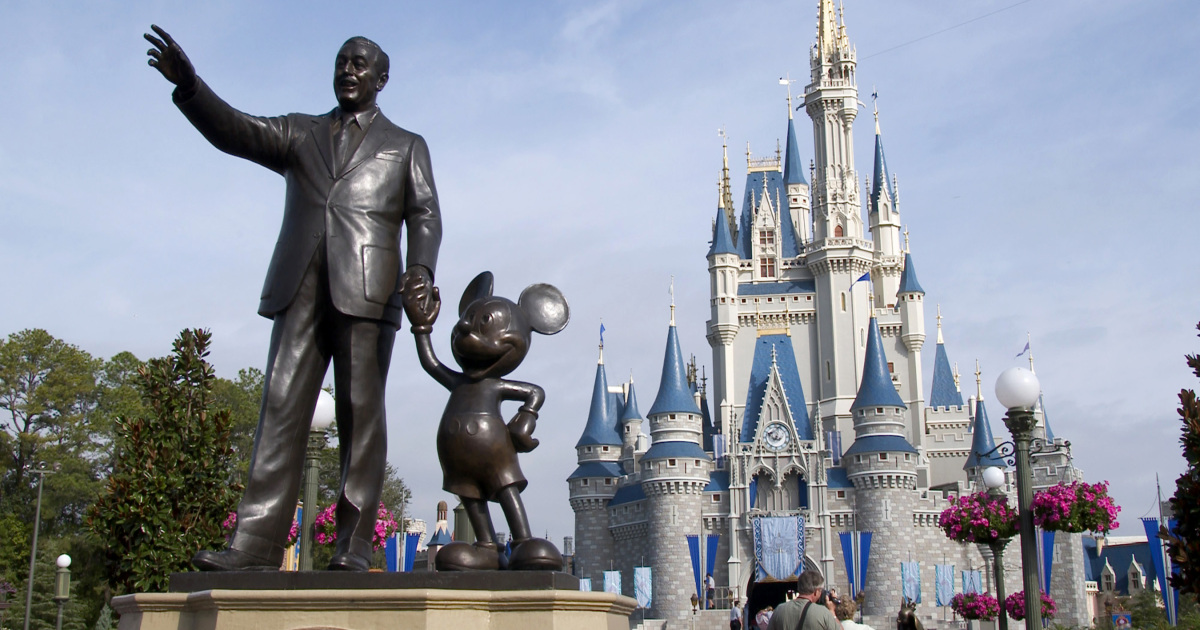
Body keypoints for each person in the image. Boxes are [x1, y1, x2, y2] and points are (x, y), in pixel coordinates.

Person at [144, 26, 442, 572]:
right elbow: (237, 130)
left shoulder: (406, 145)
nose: (348, 71)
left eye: (360, 64)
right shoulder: (301, 133)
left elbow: (424, 214)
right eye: (341, 62)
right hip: (299, 285)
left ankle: (353, 544)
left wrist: (420, 271)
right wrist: (191, 87)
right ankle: (254, 545)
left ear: (382, 79)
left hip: (369, 290)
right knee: (279, 408)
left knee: (360, 414)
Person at [767, 570, 841, 630]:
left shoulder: (779, 610)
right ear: (816, 592)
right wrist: (832, 612)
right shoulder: (823, 613)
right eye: (821, 590)